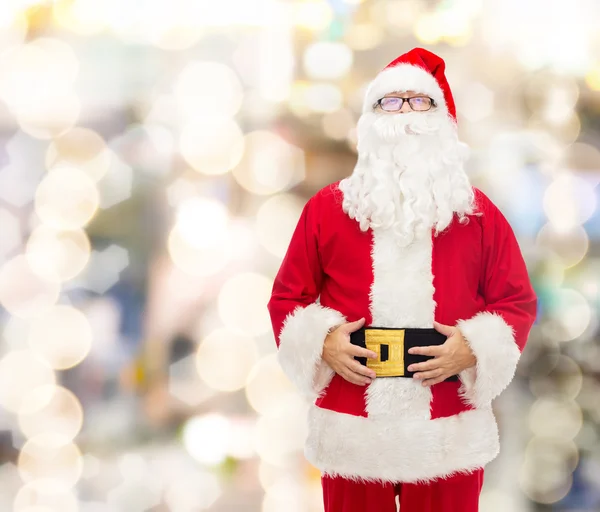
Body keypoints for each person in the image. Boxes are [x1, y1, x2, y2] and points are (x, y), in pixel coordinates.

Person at [266, 47, 537, 512]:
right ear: (370, 122)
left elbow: (515, 301)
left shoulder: (478, 215)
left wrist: (474, 347)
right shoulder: (327, 211)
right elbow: (288, 297)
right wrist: (322, 341)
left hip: (447, 427)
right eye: (391, 102)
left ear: (443, 120)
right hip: (354, 426)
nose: (406, 113)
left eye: (420, 101)